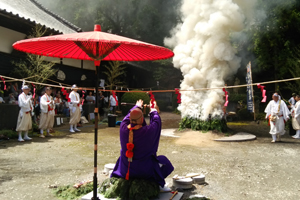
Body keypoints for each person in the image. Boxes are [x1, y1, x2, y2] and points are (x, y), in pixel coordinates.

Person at [111, 99, 174, 190]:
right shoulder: (148, 131)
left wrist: (137, 106)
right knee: (164, 161)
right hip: (144, 172)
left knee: (122, 157)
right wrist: (153, 110)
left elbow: (127, 117)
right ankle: (154, 181)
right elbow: (156, 122)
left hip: (125, 171)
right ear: (142, 119)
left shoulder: (123, 127)